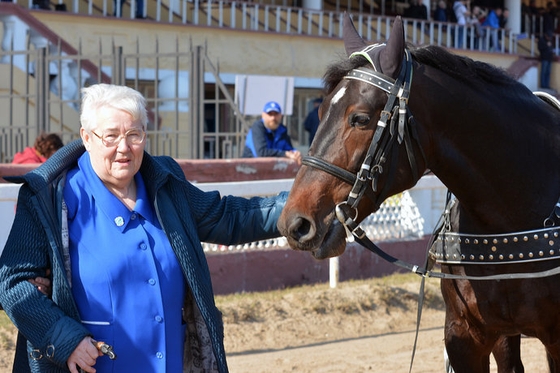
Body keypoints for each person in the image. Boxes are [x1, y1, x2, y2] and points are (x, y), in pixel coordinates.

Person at [0, 83, 288, 373]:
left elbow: (226, 216)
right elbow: (12, 282)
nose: (123, 148)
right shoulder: (48, 197)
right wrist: (65, 339)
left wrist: (303, 205)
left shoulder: (164, 184)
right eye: (110, 136)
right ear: (87, 138)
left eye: (133, 135)